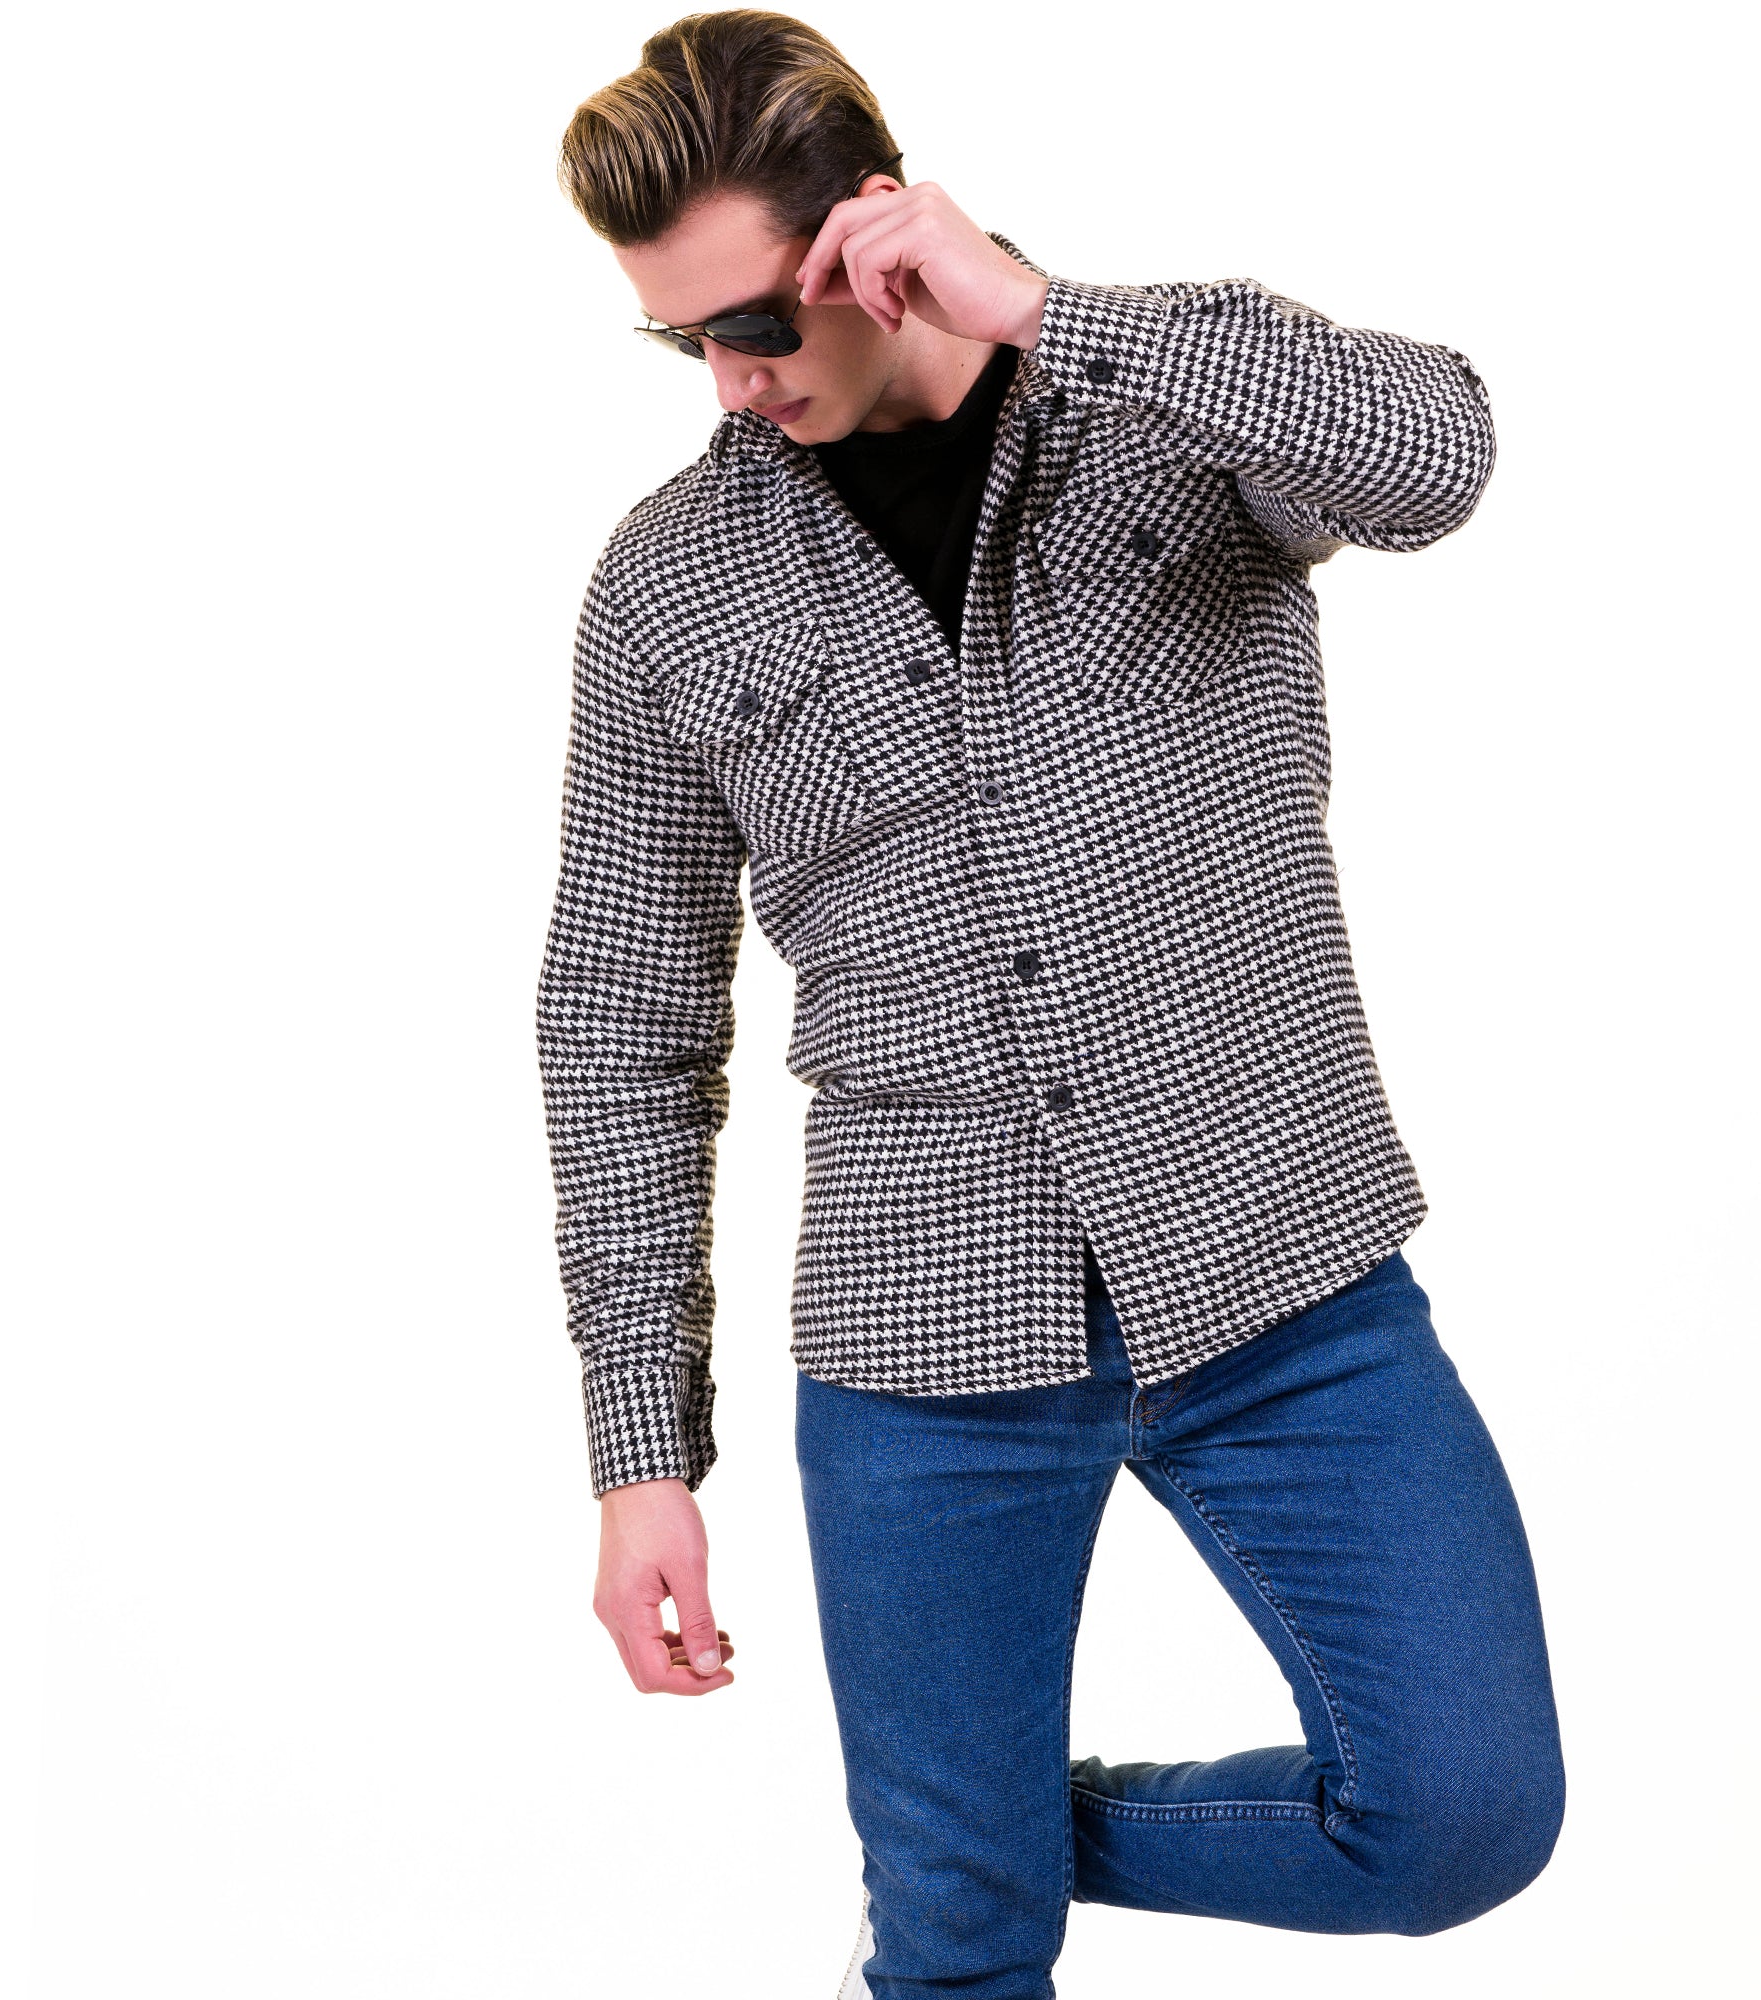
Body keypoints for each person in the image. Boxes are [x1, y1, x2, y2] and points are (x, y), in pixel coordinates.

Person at [535, 10, 1565, 1993]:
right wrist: (638, 1446)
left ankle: (978, 1836)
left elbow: (1440, 452)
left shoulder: (1166, 403)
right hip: (924, 1319)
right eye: (680, 345)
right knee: (958, 1951)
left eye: (752, 322)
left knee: (1457, 1813)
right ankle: (962, 1866)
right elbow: (620, 1021)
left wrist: (1039, 310)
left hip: (1278, 1264)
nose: (733, 382)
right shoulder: (667, 585)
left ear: (870, 229)